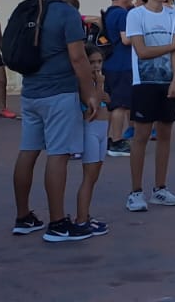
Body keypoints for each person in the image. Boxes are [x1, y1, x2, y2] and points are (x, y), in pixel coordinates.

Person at [10, 0, 99, 243]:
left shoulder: (28, 8)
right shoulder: (67, 13)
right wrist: (89, 93)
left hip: (31, 91)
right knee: (58, 154)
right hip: (59, 92)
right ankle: (58, 222)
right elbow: (78, 57)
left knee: (28, 151)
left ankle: (23, 216)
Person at [123, 0, 175, 212]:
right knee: (140, 136)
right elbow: (142, 51)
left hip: (166, 82)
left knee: (165, 136)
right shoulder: (135, 15)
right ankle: (135, 191)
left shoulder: (172, 15)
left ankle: (160, 188)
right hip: (144, 83)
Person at [73, 45, 110, 238]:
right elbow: (92, 105)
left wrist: (101, 88)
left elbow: (107, 99)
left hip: (103, 131)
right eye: (92, 62)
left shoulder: (97, 82)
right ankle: (81, 219)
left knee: (94, 177)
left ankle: (85, 215)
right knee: (88, 177)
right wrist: (100, 86)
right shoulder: (84, 84)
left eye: (99, 62)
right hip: (91, 131)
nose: (96, 66)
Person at [101, 0, 136, 157]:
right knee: (120, 105)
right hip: (122, 64)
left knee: (111, 103)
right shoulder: (123, 15)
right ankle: (116, 141)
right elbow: (126, 39)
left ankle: (107, 138)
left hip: (110, 63)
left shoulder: (108, 13)